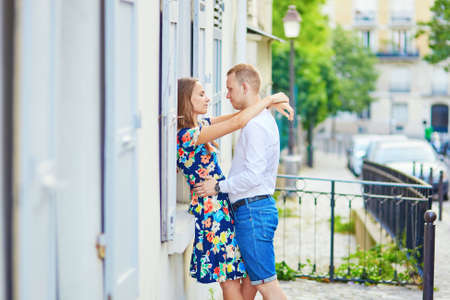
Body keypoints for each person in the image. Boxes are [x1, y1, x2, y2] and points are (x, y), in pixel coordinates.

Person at [176, 77, 293, 300]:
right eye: (201, 94)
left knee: (245, 277)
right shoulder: (187, 136)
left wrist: (266, 104)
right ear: (186, 100)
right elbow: (237, 123)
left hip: (222, 207)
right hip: (212, 212)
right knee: (229, 282)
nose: (208, 98)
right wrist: (268, 99)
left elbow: (238, 116)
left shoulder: (201, 126)